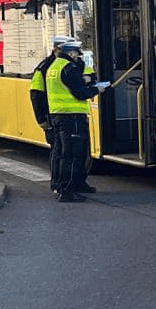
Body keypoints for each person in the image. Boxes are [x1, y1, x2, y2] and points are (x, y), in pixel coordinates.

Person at [46, 39, 106, 202]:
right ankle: (67, 191)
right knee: (73, 154)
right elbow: (79, 93)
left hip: (58, 116)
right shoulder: (69, 67)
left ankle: (61, 186)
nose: (76, 56)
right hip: (72, 117)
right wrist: (96, 89)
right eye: (75, 53)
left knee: (63, 153)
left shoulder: (54, 66)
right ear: (71, 53)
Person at [30, 36, 74, 193]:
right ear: (56, 49)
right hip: (51, 116)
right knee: (58, 150)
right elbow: (36, 94)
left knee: (64, 150)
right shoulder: (44, 67)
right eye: (67, 50)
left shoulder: (66, 65)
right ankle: (56, 183)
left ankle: (65, 183)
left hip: (61, 114)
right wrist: (41, 120)